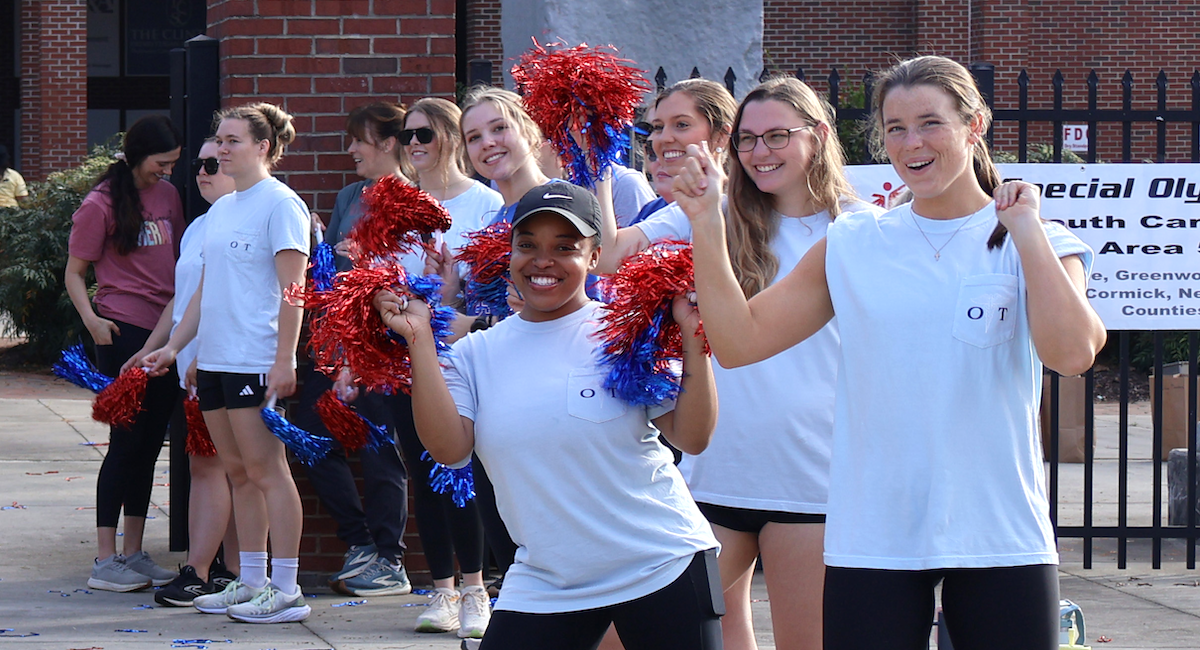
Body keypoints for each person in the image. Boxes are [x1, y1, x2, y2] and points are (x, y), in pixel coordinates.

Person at [674, 55, 1107, 650]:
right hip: (873, 535)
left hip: (999, 531)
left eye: (930, 123)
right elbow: (739, 343)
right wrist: (705, 224)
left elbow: (1073, 352)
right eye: (895, 128)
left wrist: (1026, 230)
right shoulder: (856, 240)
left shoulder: (1041, 241)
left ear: (975, 123)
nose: (912, 143)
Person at [375, 181, 723, 650]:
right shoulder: (475, 354)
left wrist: (694, 340)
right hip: (546, 578)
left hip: (658, 563)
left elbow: (693, 437)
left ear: (595, 256)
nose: (543, 261)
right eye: (528, 246)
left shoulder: (623, 334)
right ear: (511, 254)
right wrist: (419, 340)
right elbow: (448, 450)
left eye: (565, 247)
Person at [145, 102, 314, 624]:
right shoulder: (222, 209)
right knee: (238, 472)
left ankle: (286, 590)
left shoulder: (281, 205)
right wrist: (176, 347)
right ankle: (251, 581)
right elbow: (205, 291)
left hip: (254, 359)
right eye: (219, 140)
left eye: (232, 140)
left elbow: (294, 289)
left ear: (263, 147)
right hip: (215, 361)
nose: (220, 149)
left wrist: (284, 360)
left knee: (267, 471)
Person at [291, 102, 414, 601]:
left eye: (359, 140)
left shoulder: (412, 198)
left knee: (380, 447)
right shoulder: (349, 195)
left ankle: (389, 558)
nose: (351, 150)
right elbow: (337, 274)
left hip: (386, 343)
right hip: (340, 337)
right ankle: (360, 542)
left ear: (387, 143)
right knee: (307, 430)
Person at [65, 114, 184, 592]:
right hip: (124, 330)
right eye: (163, 162)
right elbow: (74, 272)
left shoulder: (169, 197)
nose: (168, 171)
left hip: (166, 328)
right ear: (138, 156)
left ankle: (133, 552)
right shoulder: (100, 204)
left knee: (152, 443)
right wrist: (93, 322)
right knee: (126, 443)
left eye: (175, 163)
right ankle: (105, 558)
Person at [395, 96, 499, 638]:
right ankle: (442, 592)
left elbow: (501, 287)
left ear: (450, 138)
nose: (412, 144)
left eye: (424, 134)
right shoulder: (396, 202)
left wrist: (457, 302)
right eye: (406, 135)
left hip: (465, 354)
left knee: (463, 472)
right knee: (423, 471)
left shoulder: (484, 202)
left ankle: (478, 590)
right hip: (404, 354)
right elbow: (379, 277)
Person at [123, 139, 242, 606]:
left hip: (224, 363)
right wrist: (155, 349)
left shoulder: (244, 222)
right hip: (192, 366)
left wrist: (196, 353)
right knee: (218, 469)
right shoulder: (198, 228)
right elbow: (183, 296)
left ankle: (203, 569)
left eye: (213, 163)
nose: (201, 171)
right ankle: (228, 570)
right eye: (198, 164)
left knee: (221, 468)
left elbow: (236, 298)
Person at [596, 78, 736, 273]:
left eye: (681, 125)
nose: (663, 138)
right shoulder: (661, 212)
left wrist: (599, 161)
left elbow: (604, 258)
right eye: (658, 127)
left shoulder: (743, 202)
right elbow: (605, 261)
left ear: (721, 135)